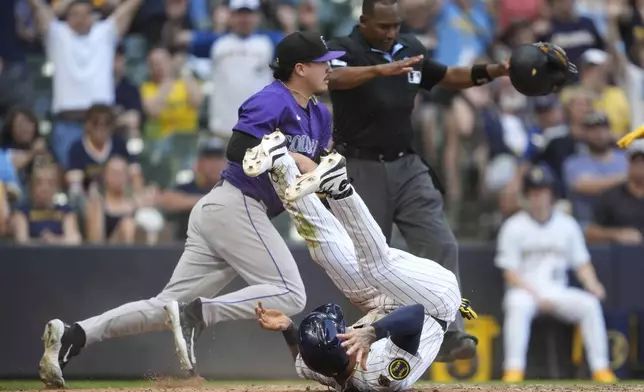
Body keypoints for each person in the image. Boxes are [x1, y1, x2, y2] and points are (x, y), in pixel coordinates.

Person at [37, 31, 345, 388]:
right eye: (323, 62)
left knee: (164, 307)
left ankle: (74, 335)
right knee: (291, 293)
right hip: (238, 202)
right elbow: (237, 148)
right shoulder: (273, 99)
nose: (330, 68)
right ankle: (197, 313)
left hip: (231, 212)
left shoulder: (320, 115)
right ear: (300, 67)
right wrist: (295, 157)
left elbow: (317, 168)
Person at [169, 131, 474, 390]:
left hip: (384, 304)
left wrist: (290, 328)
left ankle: (279, 163)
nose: (345, 327)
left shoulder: (324, 367)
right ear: (345, 352)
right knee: (376, 266)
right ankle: (339, 187)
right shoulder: (382, 375)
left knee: (325, 249)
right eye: (341, 329)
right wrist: (371, 332)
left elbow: (302, 361)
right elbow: (415, 314)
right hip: (436, 303)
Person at [323, 0, 511, 361]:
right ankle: (357, 350)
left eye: (396, 25)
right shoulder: (342, 48)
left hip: (407, 164)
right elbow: (331, 78)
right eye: (383, 27)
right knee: (364, 264)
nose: (392, 32)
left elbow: (445, 76)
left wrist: (497, 70)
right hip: (359, 167)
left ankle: (450, 331)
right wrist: (381, 70)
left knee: (441, 244)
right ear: (363, 21)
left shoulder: (410, 47)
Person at [495, 165, 616, 383]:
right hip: (526, 291)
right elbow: (509, 273)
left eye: (542, 191)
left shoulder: (567, 225)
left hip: (557, 290)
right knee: (516, 304)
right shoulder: (513, 226)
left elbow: (582, 264)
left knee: (590, 304)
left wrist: (593, 284)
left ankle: (601, 369)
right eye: (533, 192)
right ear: (526, 195)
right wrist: (537, 296)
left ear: (552, 194)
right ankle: (513, 370)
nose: (538, 197)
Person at [27, 0, 142, 168]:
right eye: (75, 14)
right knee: (69, 175)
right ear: (67, 17)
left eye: (85, 14)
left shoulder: (105, 32)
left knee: (111, 175)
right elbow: (37, 6)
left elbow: (131, 7)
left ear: (92, 16)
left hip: (103, 124)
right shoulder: (58, 34)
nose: (80, 19)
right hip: (68, 122)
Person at [155, 138, 227, 240]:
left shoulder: (230, 188)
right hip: (187, 247)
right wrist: (207, 201)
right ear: (200, 163)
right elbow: (166, 200)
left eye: (218, 159)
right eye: (209, 159)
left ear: (225, 163)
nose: (214, 164)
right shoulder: (190, 187)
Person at [585, 139, 644, 245]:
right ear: (629, 164)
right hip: (620, 255)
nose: (641, 166)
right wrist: (616, 234)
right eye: (637, 161)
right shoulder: (611, 196)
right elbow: (590, 232)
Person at [11, 164, 81, 245]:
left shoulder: (66, 212)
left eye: (50, 183)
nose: (45, 188)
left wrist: (54, 240)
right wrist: (43, 242)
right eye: (39, 182)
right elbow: (21, 240)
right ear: (32, 186)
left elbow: (74, 239)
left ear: (56, 186)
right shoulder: (22, 212)